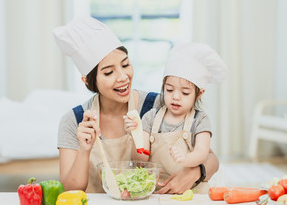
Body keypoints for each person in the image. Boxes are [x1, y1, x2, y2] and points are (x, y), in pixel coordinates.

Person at [53, 16, 220, 194]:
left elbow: (212, 160)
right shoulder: (74, 121)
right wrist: (84, 150)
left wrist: (194, 172)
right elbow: (70, 189)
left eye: (126, 64)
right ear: (88, 81)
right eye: (109, 72)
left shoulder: (158, 106)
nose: (123, 77)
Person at [124, 43, 227, 193]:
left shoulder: (200, 119)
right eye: (169, 90)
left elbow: (202, 152)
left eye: (185, 93)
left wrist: (186, 160)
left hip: (191, 191)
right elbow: (139, 161)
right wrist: (136, 135)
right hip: (157, 189)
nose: (176, 97)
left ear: (199, 94)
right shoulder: (151, 117)